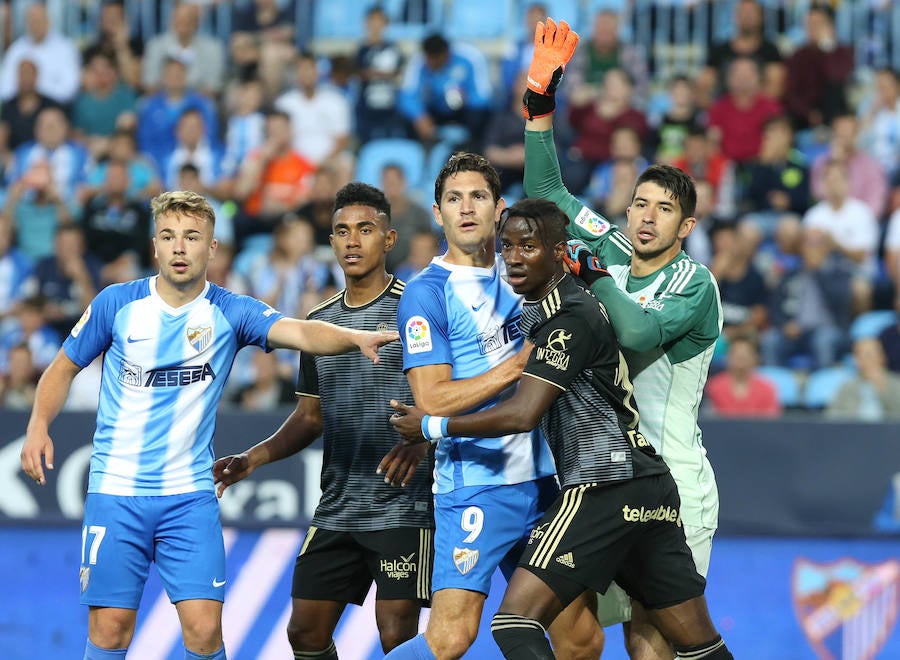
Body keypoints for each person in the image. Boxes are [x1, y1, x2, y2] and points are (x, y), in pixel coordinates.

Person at [19, 190, 398, 660]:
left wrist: (354, 336)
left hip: (189, 497)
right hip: (116, 492)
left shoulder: (231, 311)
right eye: (169, 237)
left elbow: (299, 330)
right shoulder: (117, 304)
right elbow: (61, 369)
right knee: (110, 630)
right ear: (154, 246)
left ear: (212, 248)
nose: (180, 248)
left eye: (192, 237)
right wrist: (38, 426)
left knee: (204, 632)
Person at [389, 197, 733, 660]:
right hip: (649, 487)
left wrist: (432, 427)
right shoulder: (545, 309)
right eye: (506, 245)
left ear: (558, 252)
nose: (512, 256)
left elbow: (521, 414)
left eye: (528, 246)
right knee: (698, 644)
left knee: (514, 623)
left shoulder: (570, 317)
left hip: (602, 484)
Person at [522, 18, 723, 659]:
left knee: (650, 636)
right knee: (572, 625)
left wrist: (596, 275)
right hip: (606, 479)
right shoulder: (608, 245)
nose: (645, 217)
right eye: (640, 203)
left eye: (664, 209)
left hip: (673, 478)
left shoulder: (695, 283)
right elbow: (548, 192)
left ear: (685, 225)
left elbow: (634, 334)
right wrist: (539, 101)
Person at [382, 153, 600, 660]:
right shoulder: (426, 294)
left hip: (549, 483)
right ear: (437, 213)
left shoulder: (525, 267)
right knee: (451, 638)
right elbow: (431, 400)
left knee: (581, 639)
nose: (466, 208)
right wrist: (518, 364)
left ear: (499, 208)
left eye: (478, 196)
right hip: (478, 485)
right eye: (453, 199)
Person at [214, 182, 434, 656]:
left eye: (365, 229)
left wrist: (429, 438)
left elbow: (447, 396)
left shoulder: (417, 309)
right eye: (341, 231)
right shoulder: (319, 322)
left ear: (389, 240)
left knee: (396, 635)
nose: (352, 241)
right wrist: (252, 459)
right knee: (304, 634)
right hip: (338, 506)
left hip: (405, 505)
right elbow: (310, 417)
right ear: (330, 242)